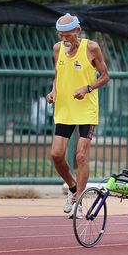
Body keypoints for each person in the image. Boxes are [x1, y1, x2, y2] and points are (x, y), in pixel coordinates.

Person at [46, 13, 110, 218]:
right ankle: (72, 187)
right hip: (64, 110)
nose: (64, 40)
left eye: (68, 35)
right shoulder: (57, 49)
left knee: (81, 155)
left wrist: (87, 88)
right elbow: (58, 74)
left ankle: (79, 202)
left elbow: (105, 76)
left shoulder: (91, 48)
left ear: (77, 30)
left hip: (86, 111)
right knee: (56, 155)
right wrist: (54, 90)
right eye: (61, 35)